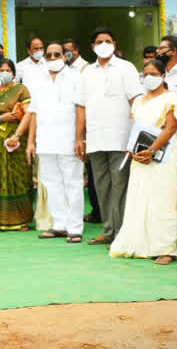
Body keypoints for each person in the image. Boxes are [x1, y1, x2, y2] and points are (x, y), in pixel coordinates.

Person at [110, 60, 177, 264]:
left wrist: (152, 150)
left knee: (162, 202)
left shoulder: (171, 98)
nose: (148, 78)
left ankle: (166, 249)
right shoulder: (139, 101)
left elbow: (171, 128)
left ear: (163, 76)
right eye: (145, 74)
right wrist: (135, 152)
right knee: (139, 199)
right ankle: (137, 243)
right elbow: (137, 129)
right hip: (140, 159)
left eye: (153, 73)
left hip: (164, 157)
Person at [75, 28, 142, 246]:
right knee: (102, 187)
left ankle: (121, 233)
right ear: (92, 47)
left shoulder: (126, 68)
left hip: (121, 138)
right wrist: (79, 138)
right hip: (95, 139)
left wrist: (137, 135)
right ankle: (108, 230)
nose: (103, 44)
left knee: (120, 186)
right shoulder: (87, 72)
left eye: (107, 40)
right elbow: (81, 107)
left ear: (114, 43)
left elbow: (136, 101)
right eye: (99, 41)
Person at [13, 43, 84, 242]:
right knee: (51, 184)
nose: (53, 58)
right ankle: (59, 225)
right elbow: (33, 112)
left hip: (69, 140)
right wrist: (30, 142)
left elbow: (81, 109)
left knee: (73, 183)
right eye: (49, 55)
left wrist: (79, 138)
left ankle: (75, 228)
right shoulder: (38, 79)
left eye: (57, 54)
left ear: (65, 55)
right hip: (45, 140)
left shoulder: (76, 77)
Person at [0, 59, 33, 231]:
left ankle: (22, 219)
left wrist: (16, 135)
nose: (4, 73)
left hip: (17, 141)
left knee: (18, 176)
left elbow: (28, 114)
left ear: (14, 73)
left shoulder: (21, 89)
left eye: (8, 70)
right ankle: (0, 218)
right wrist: (2, 118)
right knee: (0, 176)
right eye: (1, 70)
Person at [63, 38, 99, 224]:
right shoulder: (63, 68)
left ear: (76, 50)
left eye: (69, 50)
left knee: (92, 172)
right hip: (68, 125)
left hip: (85, 125)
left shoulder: (86, 68)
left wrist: (82, 133)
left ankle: (97, 210)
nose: (66, 54)